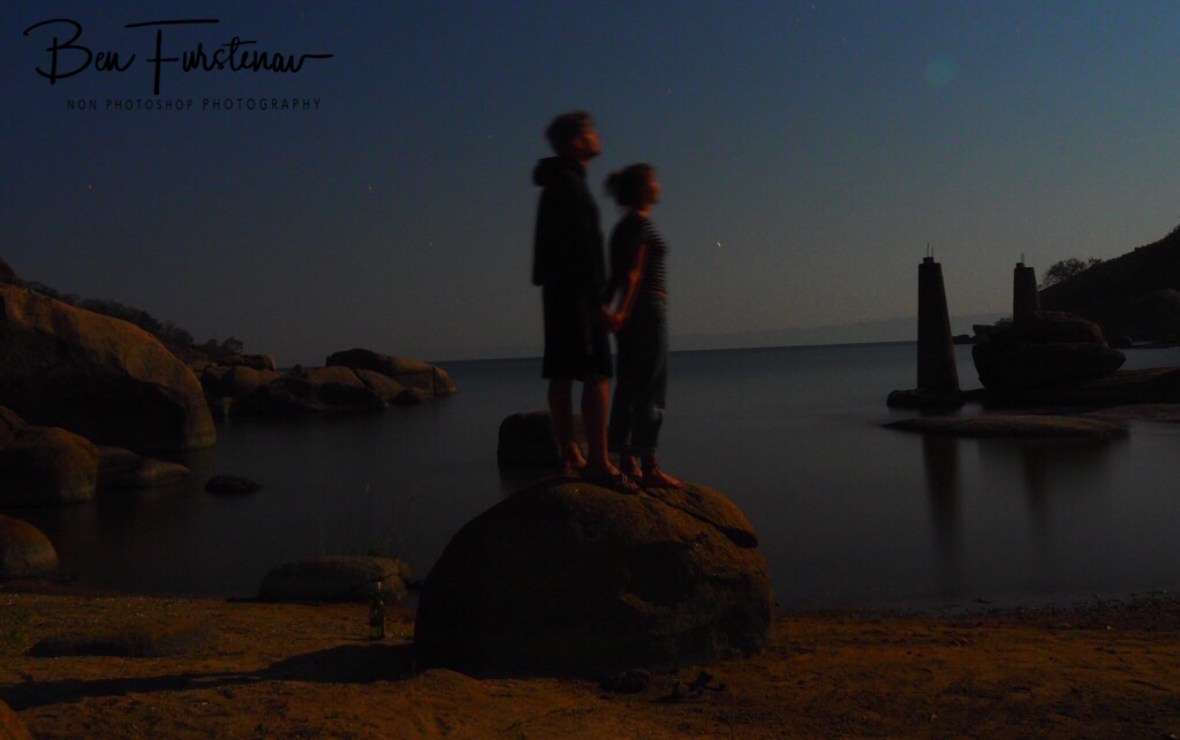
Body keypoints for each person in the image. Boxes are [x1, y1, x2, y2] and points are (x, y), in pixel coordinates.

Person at [532, 111, 634, 490]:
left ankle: (570, 453)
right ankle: (597, 461)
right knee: (597, 374)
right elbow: (582, 249)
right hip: (576, 294)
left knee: (561, 372)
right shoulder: (570, 186)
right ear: (577, 143)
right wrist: (597, 303)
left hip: (557, 291)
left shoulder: (557, 183)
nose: (597, 135)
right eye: (591, 131)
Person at [603, 163, 683, 489]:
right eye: (653, 180)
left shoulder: (621, 227)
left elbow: (618, 277)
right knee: (651, 387)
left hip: (633, 310)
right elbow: (634, 273)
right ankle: (648, 463)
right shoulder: (639, 224)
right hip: (648, 308)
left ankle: (625, 459)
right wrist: (621, 311)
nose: (658, 184)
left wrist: (611, 310)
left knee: (628, 386)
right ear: (642, 188)